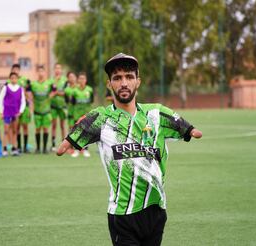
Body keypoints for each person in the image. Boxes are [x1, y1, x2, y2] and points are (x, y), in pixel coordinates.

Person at [57, 53, 202, 246]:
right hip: (123, 216)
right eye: (117, 78)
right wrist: (74, 135)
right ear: (110, 84)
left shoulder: (156, 113)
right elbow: (62, 148)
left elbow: (188, 129)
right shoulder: (100, 118)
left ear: (138, 82)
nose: (123, 82)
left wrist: (191, 130)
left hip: (156, 210)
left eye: (129, 77)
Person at [27, 66, 56, 154]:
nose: (41, 73)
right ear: (37, 73)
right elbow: (27, 91)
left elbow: (55, 90)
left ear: (44, 73)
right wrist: (30, 99)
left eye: (42, 71)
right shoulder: (33, 84)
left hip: (46, 110)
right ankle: (38, 148)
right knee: (38, 129)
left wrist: (50, 97)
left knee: (46, 129)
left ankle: (44, 148)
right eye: (39, 71)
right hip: (37, 110)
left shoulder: (49, 83)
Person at [0, 72, 26, 156]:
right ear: (10, 79)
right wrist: (1, 112)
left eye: (15, 78)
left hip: (15, 113)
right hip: (7, 112)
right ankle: (5, 148)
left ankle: (14, 148)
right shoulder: (6, 88)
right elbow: (0, 99)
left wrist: (21, 111)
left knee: (15, 131)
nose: (14, 79)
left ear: (17, 79)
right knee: (6, 131)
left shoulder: (20, 89)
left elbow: (23, 101)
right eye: (12, 78)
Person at [70, 72, 93, 158]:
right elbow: (72, 103)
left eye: (83, 78)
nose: (82, 80)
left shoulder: (89, 90)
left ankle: (86, 150)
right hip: (77, 115)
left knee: (86, 132)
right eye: (80, 78)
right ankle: (76, 150)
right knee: (77, 132)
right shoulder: (74, 91)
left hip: (87, 115)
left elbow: (91, 101)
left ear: (86, 80)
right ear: (78, 80)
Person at [11, 64, 31, 153]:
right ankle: (18, 146)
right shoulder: (9, 81)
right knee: (16, 127)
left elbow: (29, 94)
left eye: (17, 69)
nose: (15, 71)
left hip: (25, 106)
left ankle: (25, 146)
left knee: (25, 126)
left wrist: (30, 107)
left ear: (19, 70)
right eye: (14, 69)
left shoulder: (25, 80)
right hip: (15, 108)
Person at [50, 63, 67, 151]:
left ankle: (63, 143)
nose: (57, 70)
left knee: (62, 125)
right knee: (53, 125)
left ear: (61, 70)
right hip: (53, 106)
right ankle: (53, 144)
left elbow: (65, 93)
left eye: (59, 68)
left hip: (62, 106)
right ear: (54, 70)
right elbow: (50, 93)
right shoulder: (51, 80)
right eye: (56, 68)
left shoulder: (65, 80)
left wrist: (57, 93)